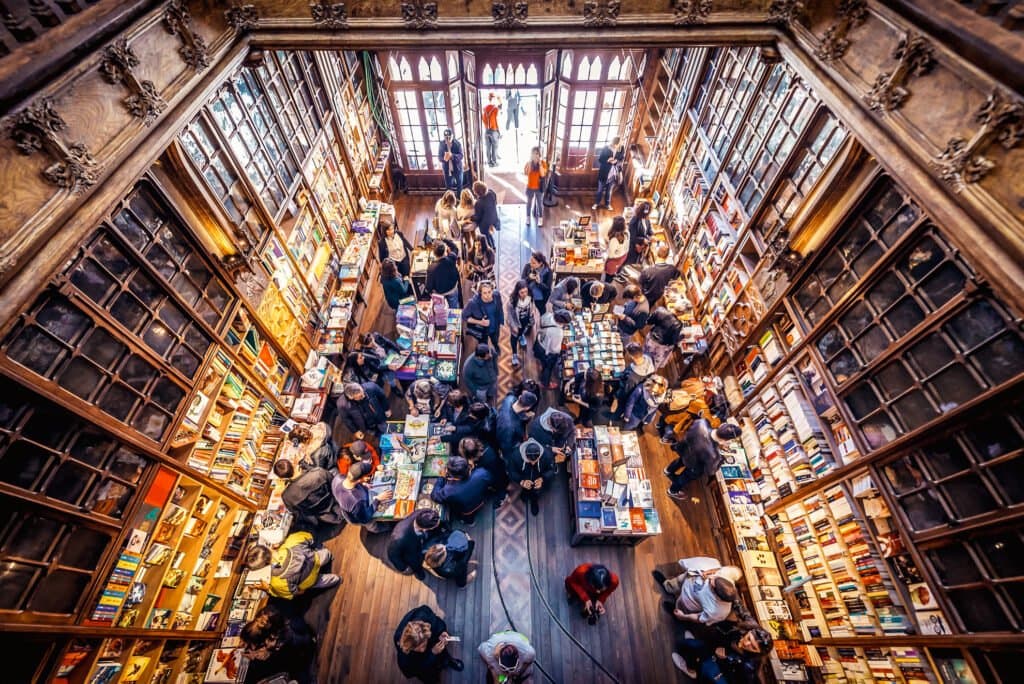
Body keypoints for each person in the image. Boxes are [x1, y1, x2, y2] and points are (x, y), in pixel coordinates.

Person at [244, 532, 340, 600]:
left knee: (321, 581)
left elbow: (299, 592)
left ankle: (337, 579)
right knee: (325, 554)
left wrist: (267, 589)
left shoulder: (277, 583)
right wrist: (284, 542)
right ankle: (329, 556)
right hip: (315, 560)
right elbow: (310, 538)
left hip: (310, 580)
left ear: (262, 567)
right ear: (267, 546)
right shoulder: (291, 541)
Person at [652, 556, 744, 626]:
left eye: (712, 582)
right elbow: (722, 569)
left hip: (688, 603)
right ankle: (668, 586)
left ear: (716, 594)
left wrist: (683, 616)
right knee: (678, 581)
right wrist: (709, 572)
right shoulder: (725, 575)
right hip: (690, 578)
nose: (711, 577)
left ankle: (675, 610)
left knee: (680, 608)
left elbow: (699, 618)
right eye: (715, 577)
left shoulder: (719, 611)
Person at [673, 621, 774, 682]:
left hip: (722, 672)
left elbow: (734, 680)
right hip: (716, 651)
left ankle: (691, 671)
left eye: (753, 647)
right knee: (687, 644)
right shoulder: (743, 629)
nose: (746, 644)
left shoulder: (749, 667)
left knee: (705, 667)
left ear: (758, 653)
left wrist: (725, 660)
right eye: (749, 639)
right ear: (749, 631)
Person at [666, 421, 743, 500]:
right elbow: (710, 471)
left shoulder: (702, 423)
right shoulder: (714, 455)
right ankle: (672, 491)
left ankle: (668, 471)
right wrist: (721, 459)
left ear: (722, 425)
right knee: (684, 478)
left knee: (679, 461)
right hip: (694, 466)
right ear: (725, 440)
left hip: (685, 450)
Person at [241, 605, 316, 684]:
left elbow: (279, 651)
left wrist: (266, 652)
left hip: (297, 646)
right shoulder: (262, 618)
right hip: (292, 624)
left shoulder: (276, 639)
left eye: (253, 643)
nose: (252, 646)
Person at [394, 605, 464, 683]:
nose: (422, 650)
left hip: (432, 643)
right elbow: (412, 672)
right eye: (418, 648)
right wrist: (432, 654)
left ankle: (446, 660)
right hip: (424, 667)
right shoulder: (404, 659)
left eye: (423, 645)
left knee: (442, 650)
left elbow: (438, 623)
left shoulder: (424, 614)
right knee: (432, 679)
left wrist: (442, 631)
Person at [276, 458, 344, 528]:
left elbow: (295, 511)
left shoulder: (286, 496)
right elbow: (333, 482)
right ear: (292, 465)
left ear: (282, 478)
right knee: (334, 471)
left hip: (320, 513)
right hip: (334, 500)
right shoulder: (318, 472)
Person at [331, 461, 393, 531]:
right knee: (371, 524)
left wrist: (362, 485)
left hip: (348, 508)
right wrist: (378, 499)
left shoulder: (338, 478)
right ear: (360, 478)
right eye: (367, 476)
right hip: (358, 516)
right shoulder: (357, 500)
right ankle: (386, 528)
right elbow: (365, 518)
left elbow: (351, 482)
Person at [430, 455, 493, 523]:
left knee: (468, 518)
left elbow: (435, 496)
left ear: (453, 476)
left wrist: (441, 477)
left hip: (467, 510)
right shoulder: (481, 473)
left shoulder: (449, 491)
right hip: (480, 501)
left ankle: (469, 522)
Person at [387, 508, 444, 579]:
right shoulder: (399, 538)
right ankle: (419, 572)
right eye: (434, 526)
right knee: (416, 565)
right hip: (411, 554)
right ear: (425, 529)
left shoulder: (425, 513)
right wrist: (403, 568)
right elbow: (392, 554)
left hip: (421, 541)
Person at [507, 438, 555, 516]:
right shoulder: (515, 456)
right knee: (525, 491)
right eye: (530, 460)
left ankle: (534, 501)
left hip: (538, 479)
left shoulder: (547, 454)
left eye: (535, 461)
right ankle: (524, 494)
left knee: (536, 492)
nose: (533, 463)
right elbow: (511, 471)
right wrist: (521, 481)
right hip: (524, 478)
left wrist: (543, 479)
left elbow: (552, 470)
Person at [461, 435, 509, 506]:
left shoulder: (486, 461)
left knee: (500, 486)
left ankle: (502, 497)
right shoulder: (484, 444)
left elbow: (489, 474)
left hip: (497, 475)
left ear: (471, 456)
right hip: (499, 466)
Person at [612, 342, 655, 419]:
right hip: (639, 395)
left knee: (620, 408)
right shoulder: (649, 358)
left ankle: (616, 417)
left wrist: (616, 398)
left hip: (628, 396)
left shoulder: (632, 377)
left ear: (632, 357)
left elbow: (625, 392)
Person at [534, 308, 573, 389]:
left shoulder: (548, 315)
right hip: (546, 351)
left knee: (543, 362)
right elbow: (555, 350)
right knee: (548, 367)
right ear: (561, 322)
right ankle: (545, 383)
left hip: (539, 341)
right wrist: (567, 345)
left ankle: (543, 365)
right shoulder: (557, 333)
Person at [496, 389, 538, 463]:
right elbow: (506, 446)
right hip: (510, 442)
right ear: (528, 408)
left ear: (519, 397)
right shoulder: (509, 427)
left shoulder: (510, 398)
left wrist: (524, 416)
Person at [464, 280, 504, 355]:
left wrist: (501, 320)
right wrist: (480, 322)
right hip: (482, 330)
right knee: (483, 344)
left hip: (495, 327)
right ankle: (485, 354)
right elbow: (464, 317)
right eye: (484, 293)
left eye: (489, 292)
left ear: (493, 290)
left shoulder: (496, 295)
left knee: (495, 340)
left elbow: (500, 307)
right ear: (480, 293)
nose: (488, 295)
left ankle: (496, 347)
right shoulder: (473, 303)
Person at [645, 305, 685, 370]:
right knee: (654, 362)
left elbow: (649, 321)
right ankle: (648, 373)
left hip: (651, 337)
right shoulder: (678, 324)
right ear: (681, 313)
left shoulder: (660, 310)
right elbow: (673, 341)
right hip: (660, 346)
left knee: (645, 354)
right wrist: (683, 336)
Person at [507, 279, 535, 369]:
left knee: (523, 331)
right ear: (517, 291)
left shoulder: (530, 297)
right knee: (514, 338)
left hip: (525, 320)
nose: (524, 294)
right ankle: (514, 354)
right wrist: (513, 326)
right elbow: (510, 316)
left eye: (526, 291)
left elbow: (532, 304)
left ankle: (521, 336)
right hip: (516, 323)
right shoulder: (512, 302)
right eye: (522, 292)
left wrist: (532, 311)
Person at [424, 241, 462, 310]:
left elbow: (428, 286)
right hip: (452, 289)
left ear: (434, 253)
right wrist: (444, 239)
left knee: (441, 311)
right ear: (445, 250)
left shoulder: (431, 268)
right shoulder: (451, 258)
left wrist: (430, 292)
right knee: (453, 308)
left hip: (440, 293)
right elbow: (455, 248)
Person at [593, 136, 624, 211]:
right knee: (600, 190)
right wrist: (608, 160)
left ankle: (607, 204)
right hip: (604, 173)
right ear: (613, 143)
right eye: (616, 144)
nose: (617, 146)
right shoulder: (606, 148)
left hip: (614, 174)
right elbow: (600, 159)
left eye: (618, 145)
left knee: (609, 191)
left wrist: (616, 161)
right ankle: (596, 203)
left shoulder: (621, 148)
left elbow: (621, 159)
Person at [521, 251, 553, 316]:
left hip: (540, 297)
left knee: (541, 310)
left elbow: (547, 288)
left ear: (540, 263)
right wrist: (529, 278)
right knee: (527, 309)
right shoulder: (527, 266)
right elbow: (522, 282)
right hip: (528, 294)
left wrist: (539, 283)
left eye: (534, 263)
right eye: (530, 261)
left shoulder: (548, 271)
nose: (531, 264)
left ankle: (542, 322)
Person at [472, 180, 501, 250]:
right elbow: (495, 202)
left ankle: (490, 248)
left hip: (485, 224)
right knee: (489, 234)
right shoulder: (491, 193)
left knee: (486, 236)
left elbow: (478, 217)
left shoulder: (478, 203)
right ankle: (493, 246)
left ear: (477, 192)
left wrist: (471, 218)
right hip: (494, 218)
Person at [523, 147, 548, 226]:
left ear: (539, 154)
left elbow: (543, 174)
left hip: (538, 188)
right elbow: (526, 173)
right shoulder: (528, 163)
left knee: (539, 204)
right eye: (533, 153)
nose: (535, 155)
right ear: (531, 154)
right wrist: (531, 162)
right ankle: (528, 217)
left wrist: (539, 164)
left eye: (537, 153)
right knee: (529, 203)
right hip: (530, 187)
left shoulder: (543, 163)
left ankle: (540, 218)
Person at [625, 199, 653, 266]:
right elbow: (632, 237)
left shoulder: (646, 219)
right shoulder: (635, 221)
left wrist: (652, 234)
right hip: (632, 247)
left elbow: (648, 229)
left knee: (635, 262)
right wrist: (643, 240)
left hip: (641, 246)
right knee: (629, 264)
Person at [603, 216, 630, 282]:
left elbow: (610, 255)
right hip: (623, 256)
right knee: (617, 268)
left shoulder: (614, 239)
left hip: (614, 261)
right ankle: (617, 274)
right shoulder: (627, 233)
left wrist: (607, 246)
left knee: (608, 278)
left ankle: (608, 284)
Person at [438, 128, 464, 196]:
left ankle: (459, 200)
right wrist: (444, 159)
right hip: (447, 169)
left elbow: (461, 156)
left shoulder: (457, 144)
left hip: (457, 169)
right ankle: (450, 201)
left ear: (452, 136)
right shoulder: (441, 144)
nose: (448, 139)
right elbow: (439, 157)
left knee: (459, 185)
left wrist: (452, 156)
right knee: (448, 187)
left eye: (449, 137)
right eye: (446, 137)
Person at [482, 93, 501, 166]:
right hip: (493, 130)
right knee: (494, 147)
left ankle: (489, 162)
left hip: (486, 131)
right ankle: (494, 161)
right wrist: (499, 100)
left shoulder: (484, 109)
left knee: (488, 147)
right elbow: (499, 108)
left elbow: (483, 120)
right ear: (493, 99)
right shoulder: (494, 108)